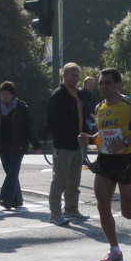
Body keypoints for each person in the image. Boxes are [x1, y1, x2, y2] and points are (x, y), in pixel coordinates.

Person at [77, 68, 131, 261]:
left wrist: (124, 141)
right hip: (105, 161)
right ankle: (115, 250)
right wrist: (88, 139)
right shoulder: (99, 108)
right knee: (102, 205)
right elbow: (102, 134)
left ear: (118, 84)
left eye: (107, 83)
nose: (103, 86)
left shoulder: (128, 103)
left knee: (128, 212)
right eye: (101, 83)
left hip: (126, 160)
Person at [47, 62, 89, 224]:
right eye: (72, 74)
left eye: (77, 75)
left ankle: (71, 210)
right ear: (64, 75)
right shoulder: (58, 95)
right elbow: (55, 122)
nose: (75, 78)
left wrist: (84, 133)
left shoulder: (78, 94)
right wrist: (75, 134)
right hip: (63, 144)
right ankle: (55, 214)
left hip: (77, 144)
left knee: (74, 182)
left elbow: (82, 117)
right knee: (59, 181)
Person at [0, 81, 41, 209]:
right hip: (3, 147)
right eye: (2, 94)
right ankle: (18, 200)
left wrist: (36, 145)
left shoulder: (21, 108)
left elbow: (29, 128)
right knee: (11, 173)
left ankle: (5, 198)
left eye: (6, 94)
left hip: (18, 146)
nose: (3, 96)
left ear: (12, 94)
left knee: (12, 172)